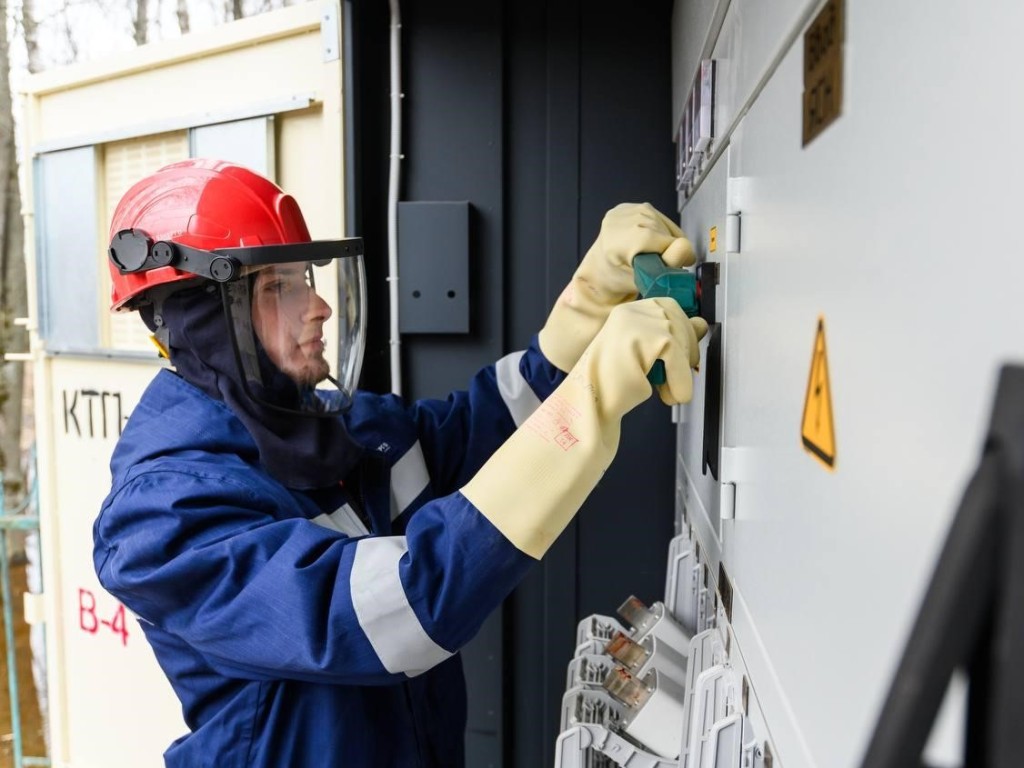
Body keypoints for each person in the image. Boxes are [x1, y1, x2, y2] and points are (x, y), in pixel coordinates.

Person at [93, 158, 707, 767]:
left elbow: (478, 431)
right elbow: (403, 608)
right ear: (203, 322)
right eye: (278, 287)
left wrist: (584, 316)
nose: (319, 308)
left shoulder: (334, 427)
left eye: (307, 278)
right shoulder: (164, 518)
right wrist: (588, 404)